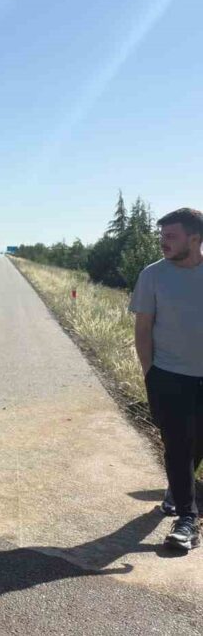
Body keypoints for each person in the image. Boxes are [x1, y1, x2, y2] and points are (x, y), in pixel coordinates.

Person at [130, 207, 203, 551]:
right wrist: (150, 375)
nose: (163, 242)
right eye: (161, 236)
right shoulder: (152, 275)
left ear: (195, 238)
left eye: (170, 236)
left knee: (196, 445)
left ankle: (178, 491)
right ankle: (187, 520)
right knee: (176, 445)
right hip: (169, 376)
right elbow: (142, 329)